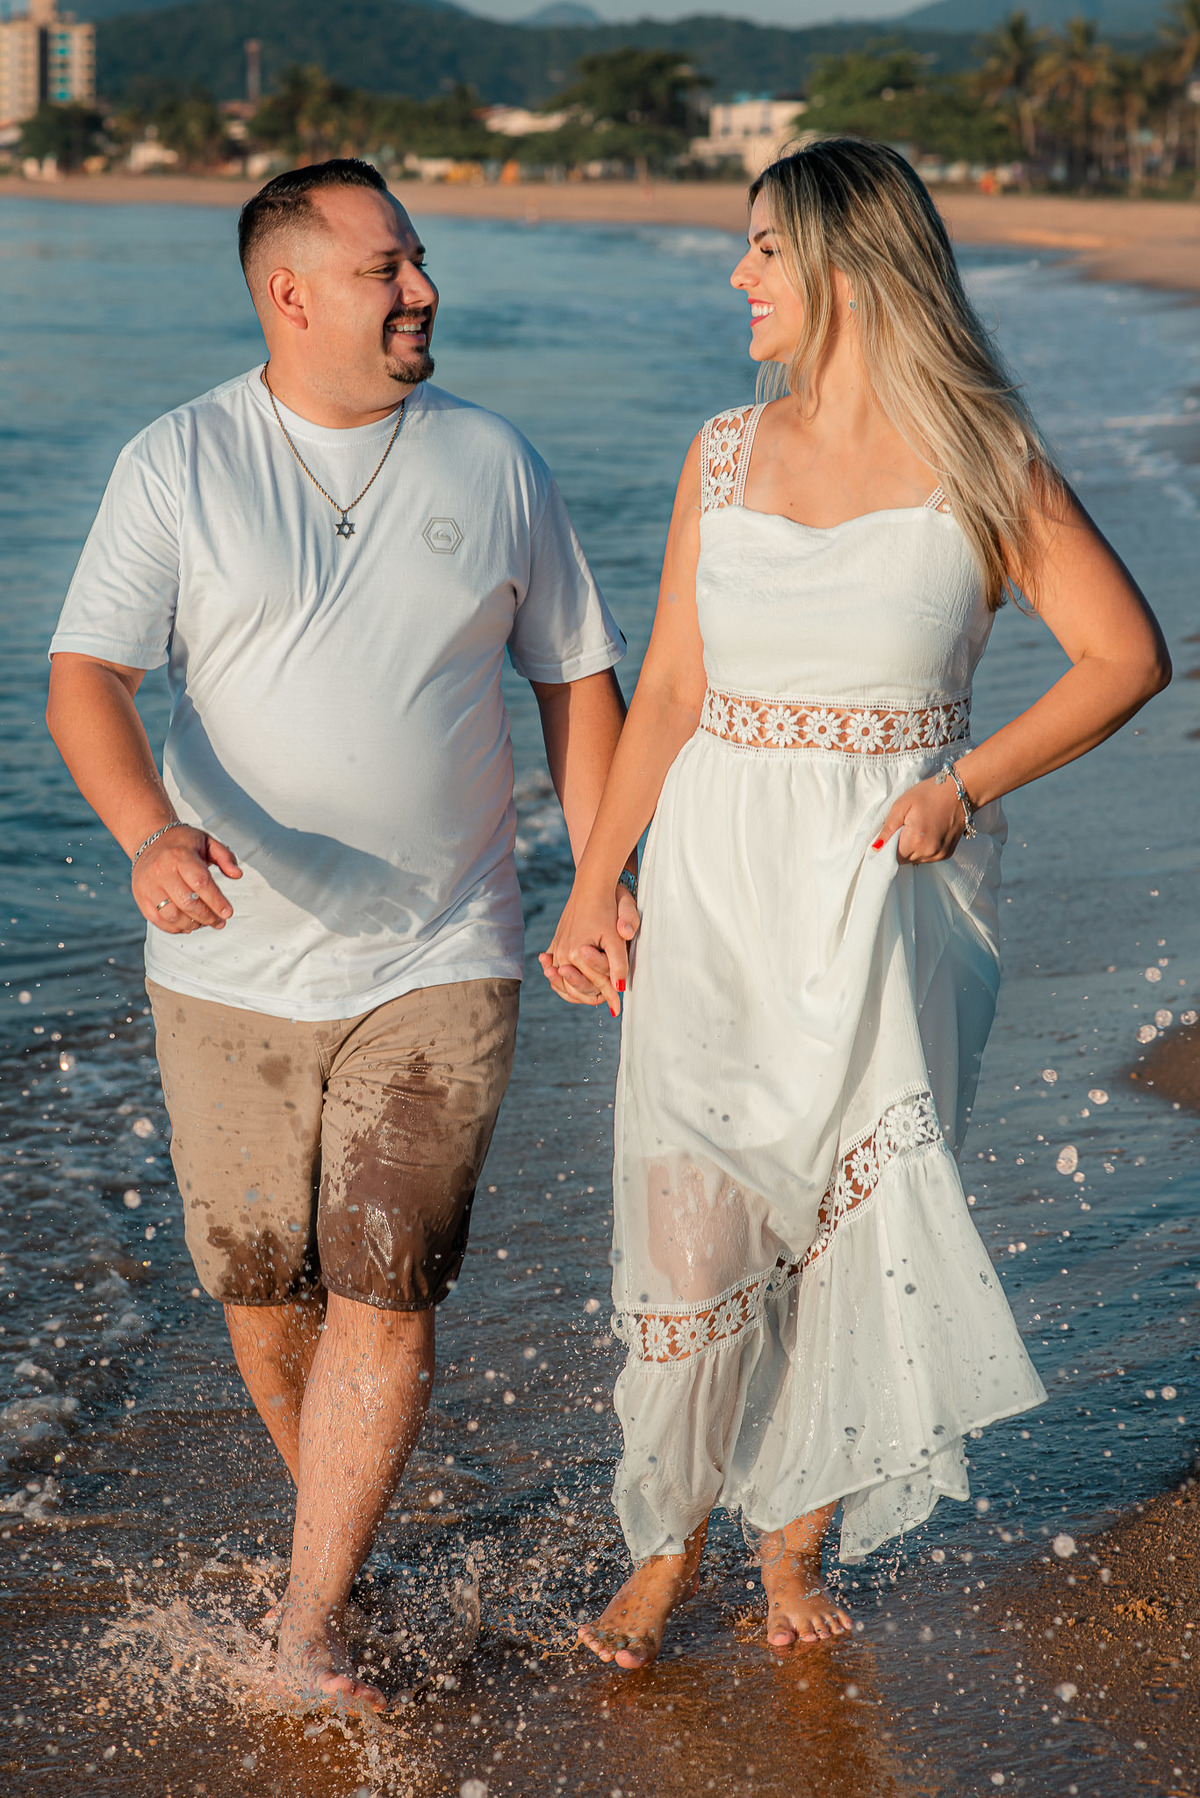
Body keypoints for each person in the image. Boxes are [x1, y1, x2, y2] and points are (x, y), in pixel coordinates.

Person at [542, 139, 1170, 1670]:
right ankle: (664, 1543)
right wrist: (594, 879)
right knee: (695, 1234)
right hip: (711, 872)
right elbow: (676, 686)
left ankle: (790, 1547)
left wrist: (965, 784)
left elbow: (1125, 657)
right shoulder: (722, 452)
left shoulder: (984, 457)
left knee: (840, 1223)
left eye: (764, 248)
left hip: (889, 887)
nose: (737, 275)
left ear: (844, 264)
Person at [46, 158, 635, 1710]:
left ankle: (308, 1623)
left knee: (387, 1274)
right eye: (390, 267)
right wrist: (146, 832)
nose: (424, 288)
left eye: (418, 260)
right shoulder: (178, 463)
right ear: (289, 290)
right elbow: (86, 680)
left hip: (443, 950)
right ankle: (343, 1543)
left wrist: (597, 879)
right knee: (263, 1301)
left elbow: (576, 678)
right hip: (225, 963)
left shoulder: (495, 460)